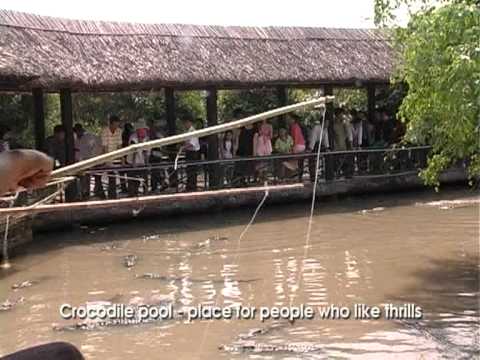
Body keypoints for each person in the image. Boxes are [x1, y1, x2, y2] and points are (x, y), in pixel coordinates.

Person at [73, 124, 103, 199]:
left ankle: (89, 192)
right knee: (81, 178)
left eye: (79, 131)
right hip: (78, 162)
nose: (77, 133)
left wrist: (93, 158)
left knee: (88, 177)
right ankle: (83, 193)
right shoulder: (74, 139)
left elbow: (95, 147)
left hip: (88, 160)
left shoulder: (89, 137)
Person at [125, 119, 150, 196]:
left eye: (144, 130)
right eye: (142, 129)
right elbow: (134, 152)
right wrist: (133, 164)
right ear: (138, 130)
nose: (144, 131)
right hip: (132, 161)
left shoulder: (146, 138)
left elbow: (146, 152)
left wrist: (146, 164)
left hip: (142, 161)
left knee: (144, 177)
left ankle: (145, 193)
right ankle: (132, 194)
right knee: (132, 179)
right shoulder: (133, 138)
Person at [100, 115, 123, 199]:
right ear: (110, 124)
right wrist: (107, 161)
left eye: (117, 125)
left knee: (113, 176)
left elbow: (119, 146)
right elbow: (104, 148)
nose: (116, 127)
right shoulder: (104, 131)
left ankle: (112, 195)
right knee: (102, 175)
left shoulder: (119, 131)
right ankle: (103, 194)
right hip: (104, 155)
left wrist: (122, 159)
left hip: (114, 156)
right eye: (114, 125)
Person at [182, 117, 200, 191]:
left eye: (186, 123)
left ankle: (192, 187)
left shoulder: (192, 131)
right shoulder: (188, 131)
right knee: (189, 170)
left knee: (192, 171)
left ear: (189, 122)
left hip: (193, 153)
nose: (185, 125)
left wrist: (183, 147)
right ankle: (189, 186)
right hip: (189, 152)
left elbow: (191, 144)